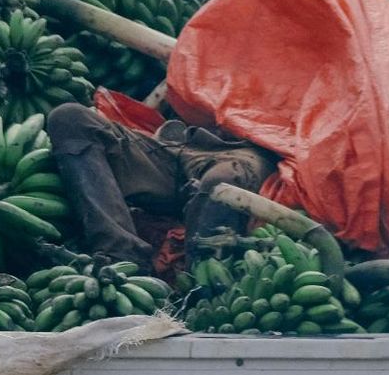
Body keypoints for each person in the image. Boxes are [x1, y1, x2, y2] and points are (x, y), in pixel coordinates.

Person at [46, 103, 277, 264]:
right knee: (70, 118)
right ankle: (123, 259)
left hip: (251, 148)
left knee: (222, 182)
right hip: (179, 144)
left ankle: (200, 287)